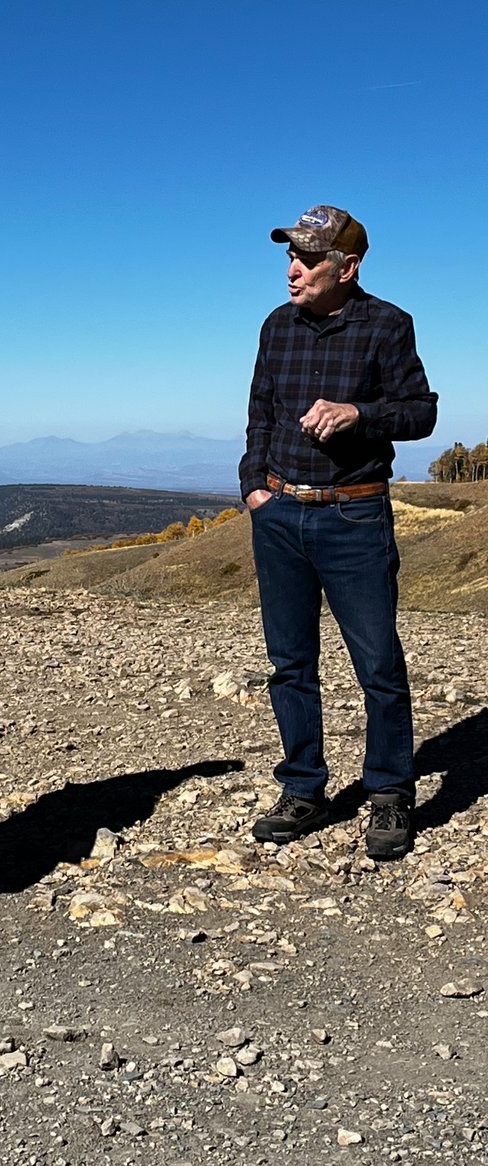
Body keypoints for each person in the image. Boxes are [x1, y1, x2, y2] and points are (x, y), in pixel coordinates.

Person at [239, 206, 437, 859]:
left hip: (354, 515)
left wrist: (358, 413)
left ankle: (388, 793)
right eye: (290, 258)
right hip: (281, 513)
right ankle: (303, 789)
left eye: (308, 259)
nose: (293, 270)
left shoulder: (387, 325)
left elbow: (420, 414)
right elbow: (261, 412)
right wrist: (254, 487)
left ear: (346, 268)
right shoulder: (276, 326)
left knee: (377, 663)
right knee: (289, 663)